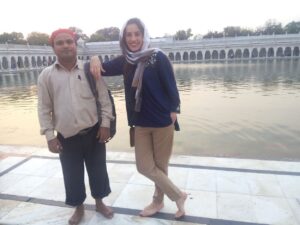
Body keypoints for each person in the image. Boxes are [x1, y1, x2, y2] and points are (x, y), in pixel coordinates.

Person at [89, 18, 187, 219]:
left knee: (160, 167)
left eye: (137, 34)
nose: (133, 39)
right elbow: (101, 69)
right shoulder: (125, 60)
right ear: (124, 38)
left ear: (143, 35)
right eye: (129, 34)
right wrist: (94, 58)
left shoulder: (157, 57)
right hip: (141, 123)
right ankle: (179, 195)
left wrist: (174, 109)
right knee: (144, 166)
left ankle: (158, 201)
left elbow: (172, 87)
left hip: (162, 122)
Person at [37, 29, 114, 225]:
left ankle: (99, 202)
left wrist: (105, 124)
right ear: (53, 47)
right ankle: (79, 208)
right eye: (60, 43)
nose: (65, 46)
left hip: (93, 131)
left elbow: (104, 100)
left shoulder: (90, 70)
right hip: (66, 135)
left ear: (75, 44)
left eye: (69, 42)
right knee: (72, 174)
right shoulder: (46, 75)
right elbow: (44, 108)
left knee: (98, 169)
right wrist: (49, 135)